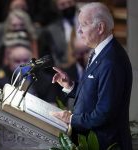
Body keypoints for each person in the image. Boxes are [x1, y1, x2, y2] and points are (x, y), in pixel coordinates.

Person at [51, 2, 133, 150]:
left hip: (106, 144)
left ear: (100, 27)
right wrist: (70, 86)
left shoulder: (112, 60)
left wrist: (71, 119)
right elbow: (95, 95)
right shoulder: (100, 51)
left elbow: (104, 114)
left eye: (83, 24)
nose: (79, 30)